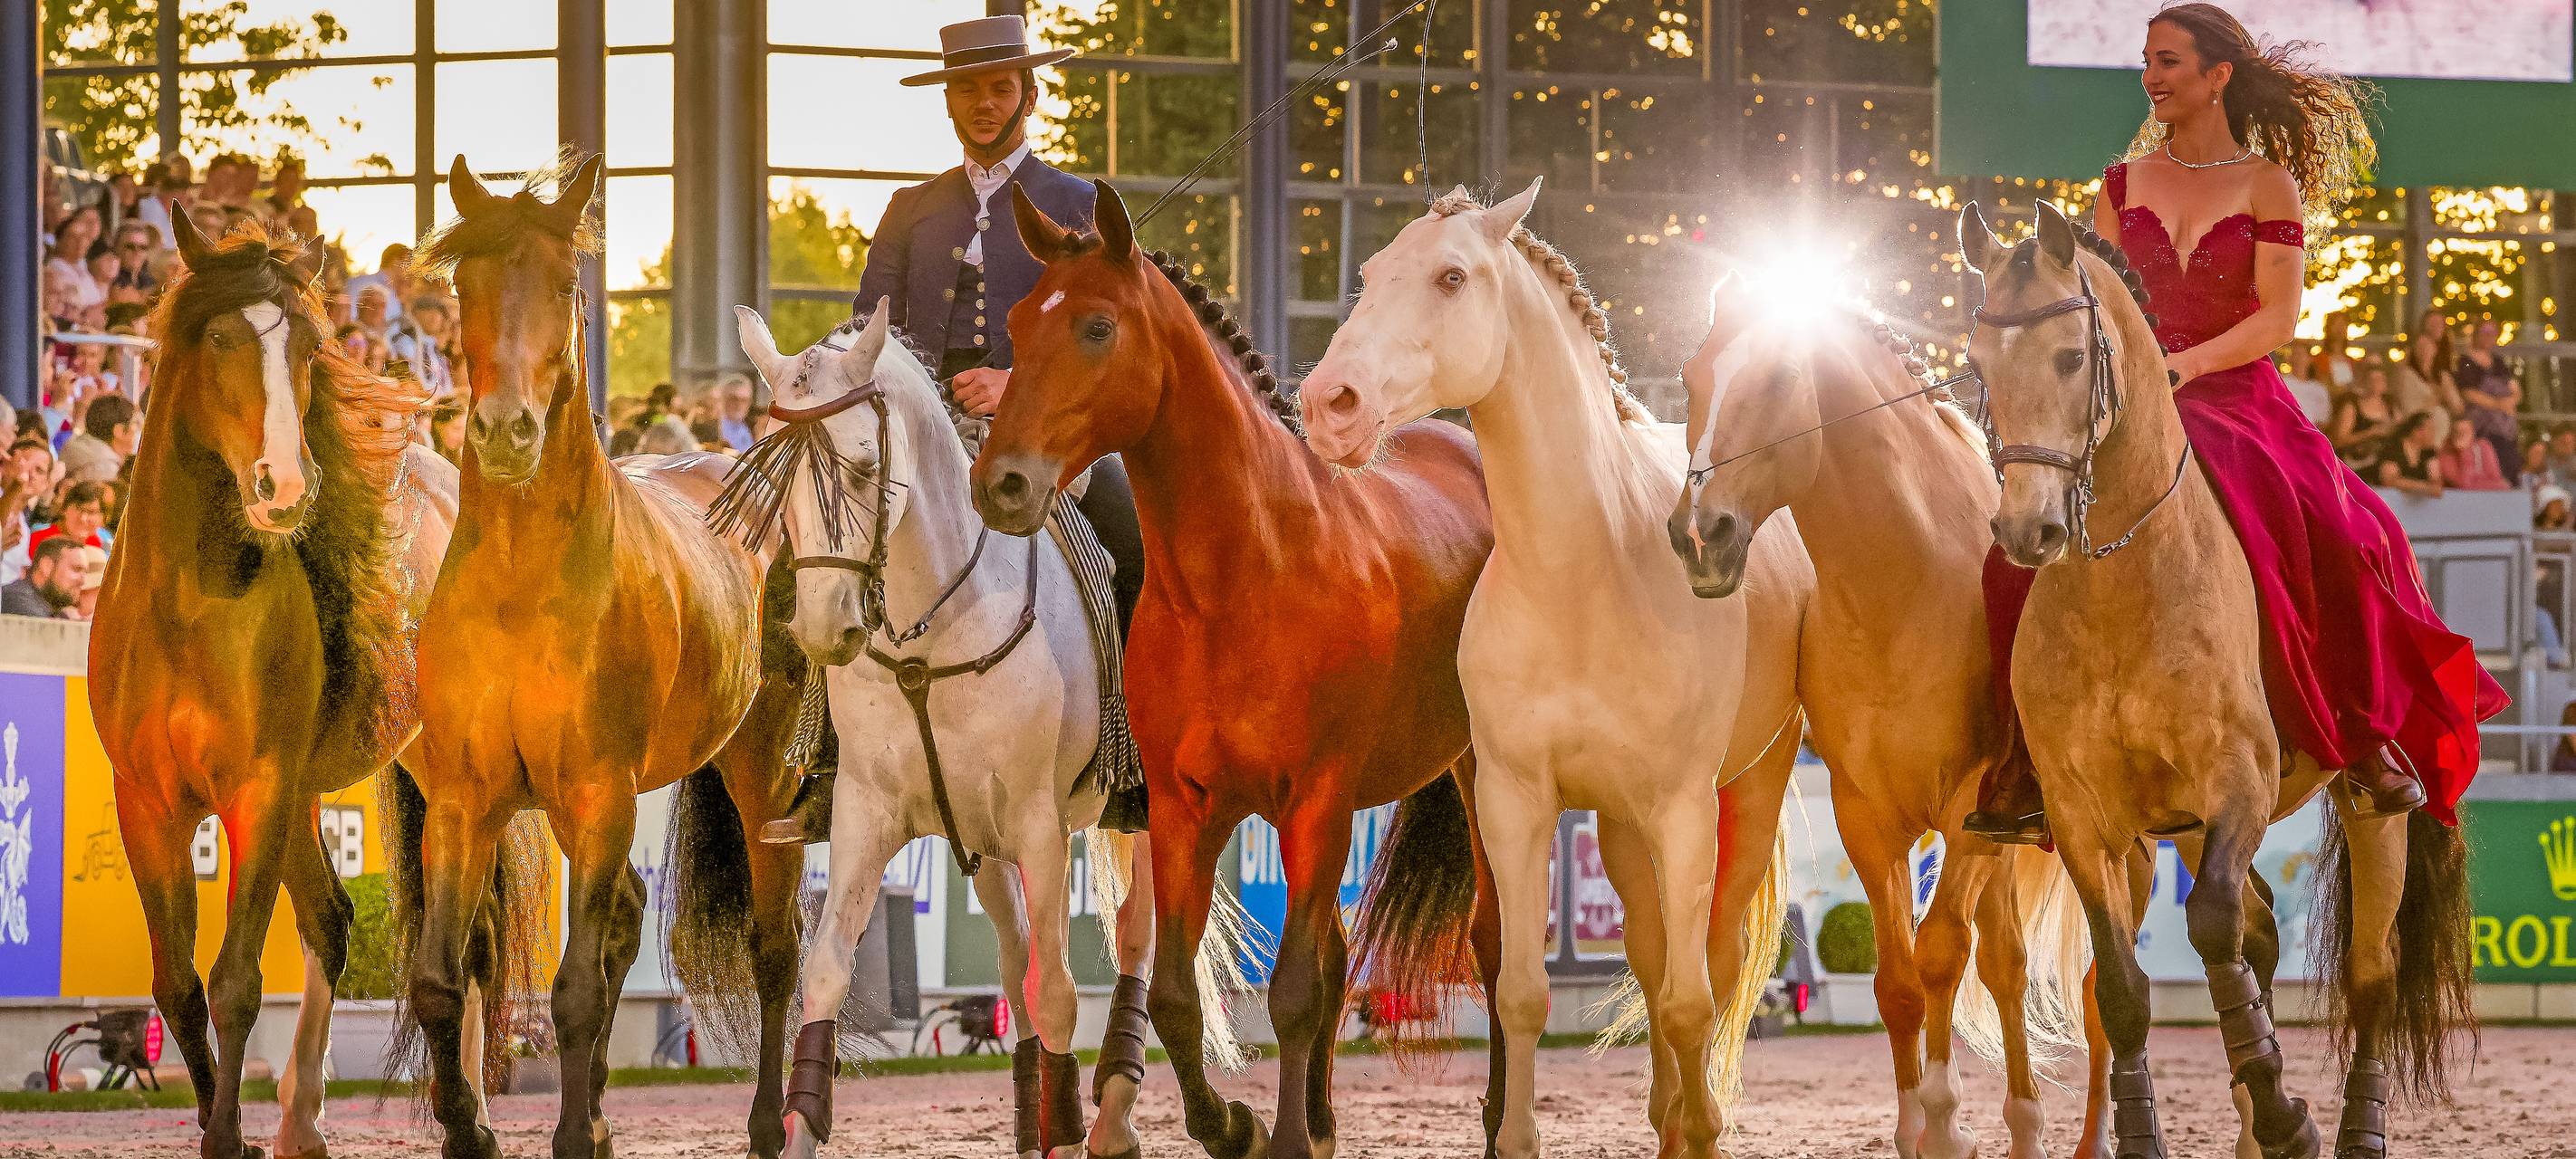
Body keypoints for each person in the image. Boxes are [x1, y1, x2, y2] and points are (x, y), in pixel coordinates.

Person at [1970, 3, 2506, 843]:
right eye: (2146, 61)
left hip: (2236, 393)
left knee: (2342, 526)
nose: (2150, 77)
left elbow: (2278, 318)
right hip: (2130, 403)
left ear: (2218, 75)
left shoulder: (2267, 184)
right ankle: (2023, 762)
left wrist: (2188, 363)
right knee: (2011, 560)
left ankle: (2361, 737)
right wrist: (2141, 377)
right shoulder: (2117, 185)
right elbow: (2104, 310)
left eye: (2169, 61)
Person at [776, 14, 1130, 843]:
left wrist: (1016, 383)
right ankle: (823, 763)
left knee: (1127, 544)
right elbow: (867, 329)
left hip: (1037, 437)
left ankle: (1123, 752)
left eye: (998, 88)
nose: (982, 103)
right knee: (813, 560)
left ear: (1029, 95)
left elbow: (1107, 335)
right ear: (948, 103)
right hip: (912, 441)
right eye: (967, 90)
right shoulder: (911, 210)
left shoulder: (1076, 204)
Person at [2456, 318, 2522, 483]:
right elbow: (2468, 392)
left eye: (2492, 333)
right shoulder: (2466, 362)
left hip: (2504, 420)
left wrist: (2511, 401)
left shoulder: (2499, 362)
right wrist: (2496, 404)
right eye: (2484, 333)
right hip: (2481, 421)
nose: (2488, 337)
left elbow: (2514, 388)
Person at [43, 205, 106, 330]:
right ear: (59, 240)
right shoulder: (54, 270)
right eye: (73, 237)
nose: (80, 242)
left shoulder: (84, 270)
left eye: (84, 237)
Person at [2323, 359, 2393, 466]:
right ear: (2365, 382)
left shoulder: (2391, 407)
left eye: (2380, 380)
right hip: (2355, 462)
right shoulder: (2352, 406)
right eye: (2372, 380)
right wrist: (2370, 432)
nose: (2376, 383)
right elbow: (2338, 440)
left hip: (2382, 463)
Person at [2390, 329, 2460, 433]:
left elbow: (2458, 407)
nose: (2424, 351)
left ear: (2435, 349)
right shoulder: (2407, 375)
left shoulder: (2443, 376)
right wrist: (2436, 399)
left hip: (2445, 423)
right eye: (2420, 347)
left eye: (2428, 346)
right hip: (2418, 425)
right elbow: (2409, 409)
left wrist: (2447, 396)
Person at [59, 394, 136, 484]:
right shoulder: (105, 469)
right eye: (136, 423)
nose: (139, 430)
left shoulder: (82, 449)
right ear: (119, 431)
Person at [1, 535, 81, 618]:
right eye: (76, 569)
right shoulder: (17, 599)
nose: (82, 581)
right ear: (47, 565)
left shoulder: (53, 609)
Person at [2369, 411, 2444, 499]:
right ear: (2417, 431)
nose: (2434, 434)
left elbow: (2436, 481)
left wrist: (2431, 486)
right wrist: (2422, 487)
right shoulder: (2393, 448)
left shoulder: (2429, 452)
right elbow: (2389, 481)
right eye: (2431, 430)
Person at [30, 480, 108, 554]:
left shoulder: (97, 546)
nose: (83, 519)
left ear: (103, 519)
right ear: (64, 510)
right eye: (78, 509)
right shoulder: (40, 541)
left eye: (91, 512)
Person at [2438, 416, 2510, 491]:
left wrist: (2481, 484)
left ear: (2473, 432)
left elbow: (2497, 478)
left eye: (2467, 431)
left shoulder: (2484, 446)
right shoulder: (2446, 456)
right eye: (2459, 432)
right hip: (2462, 499)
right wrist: (2464, 451)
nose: (2463, 435)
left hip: (2487, 496)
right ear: (2451, 434)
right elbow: (2465, 485)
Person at [2277, 346, 2331, 425]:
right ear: (2289, 359)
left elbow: (2323, 420)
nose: (2298, 359)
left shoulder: (2319, 389)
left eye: (2301, 355)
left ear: (2309, 359)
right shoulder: (2281, 383)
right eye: (2295, 354)